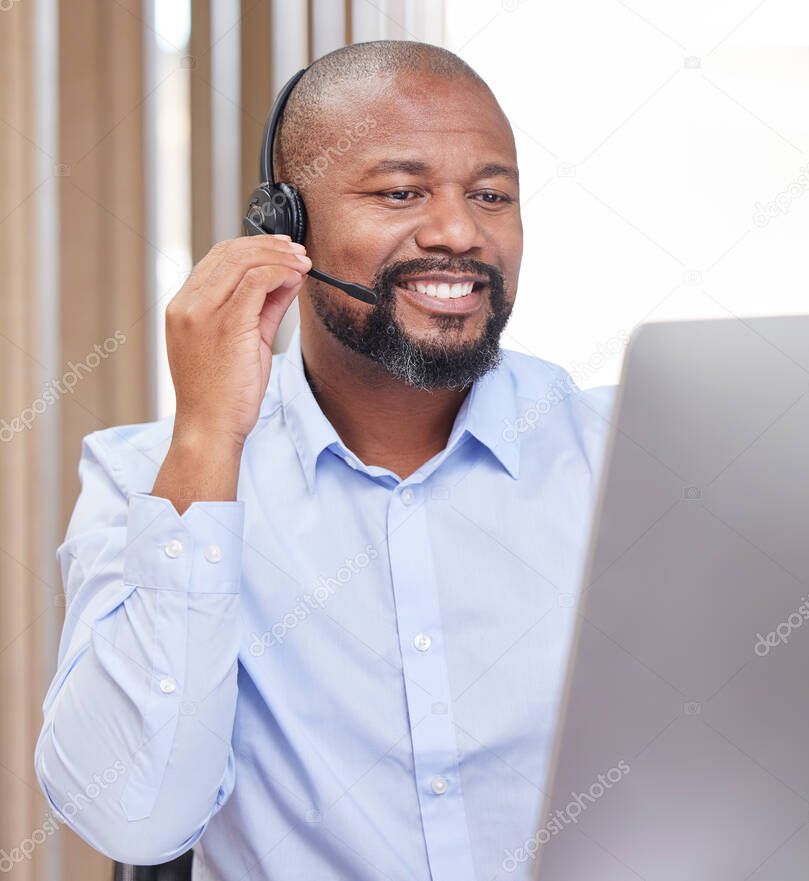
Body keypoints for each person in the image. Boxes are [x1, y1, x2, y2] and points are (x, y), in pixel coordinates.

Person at [35, 40, 617, 880]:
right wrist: (206, 437)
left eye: (491, 194)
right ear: (284, 227)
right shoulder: (147, 480)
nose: (459, 231)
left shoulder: (621, 456)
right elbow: (134, 818)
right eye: (400, 191)